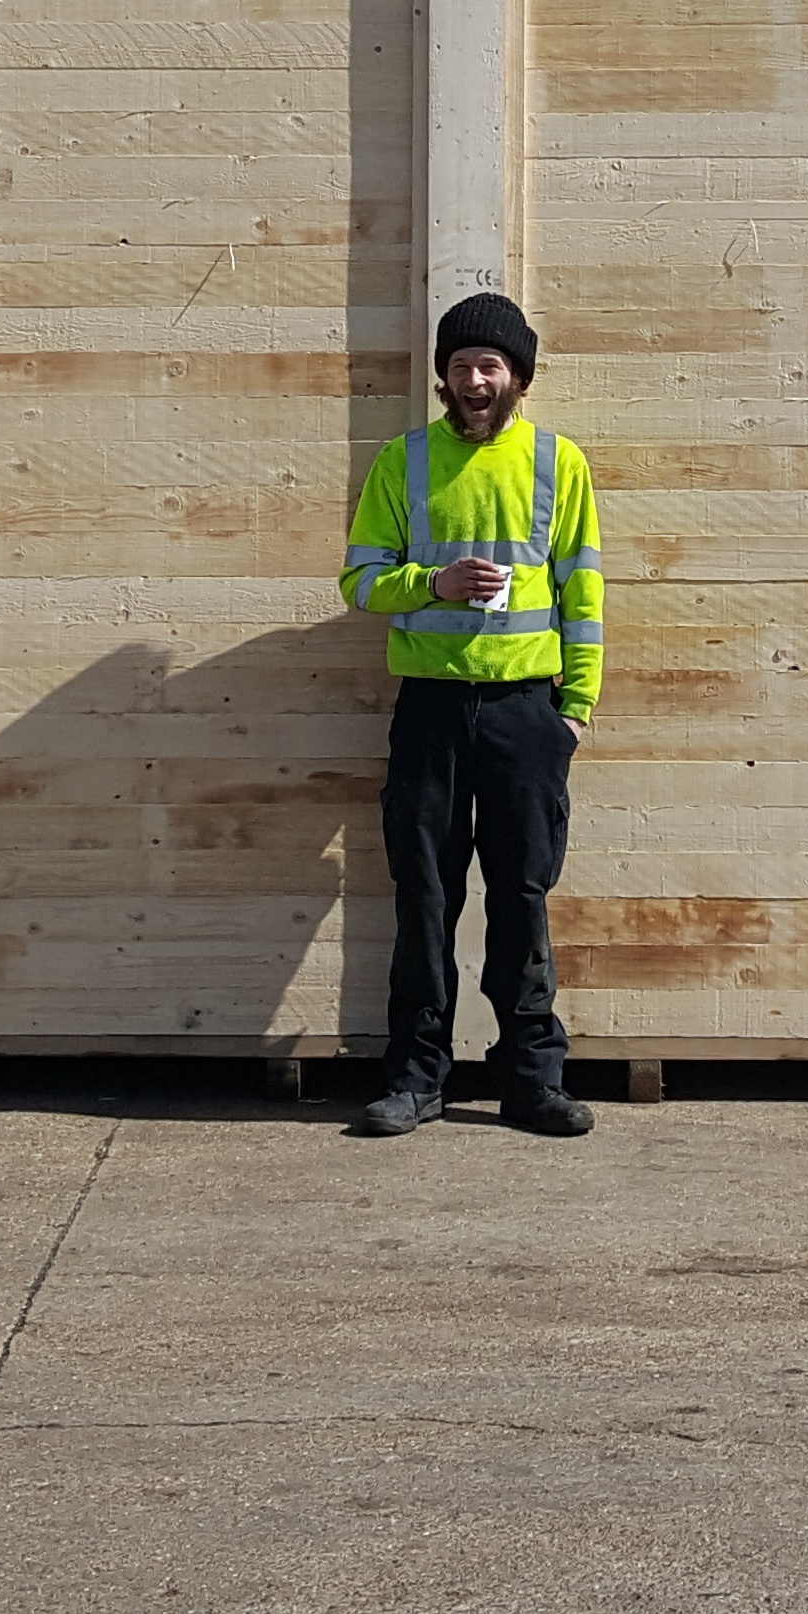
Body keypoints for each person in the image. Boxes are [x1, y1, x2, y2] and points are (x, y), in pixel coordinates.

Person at [333, 290, 605, 1138]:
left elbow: (584, 591)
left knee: (521, 897)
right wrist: (433, 584)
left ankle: (531, 1080)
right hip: (431, 712)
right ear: (443, 378)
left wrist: (576, 708)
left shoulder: (559, 463)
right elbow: (359, 582)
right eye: (460, 366)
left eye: (490, 365)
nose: (475, 380)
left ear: (519, 376)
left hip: (527, 713)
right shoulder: (404, 462)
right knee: (425, 896)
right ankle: (416, 1080)